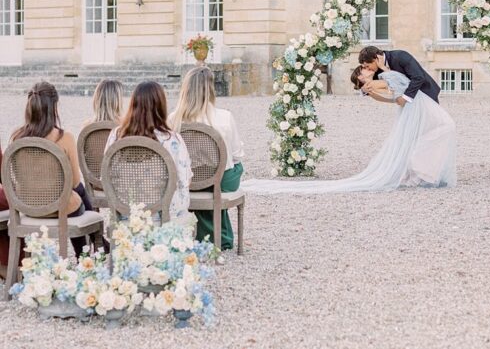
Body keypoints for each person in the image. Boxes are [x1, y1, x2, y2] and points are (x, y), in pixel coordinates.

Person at [241, 64, 456, 193]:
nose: (365, 74)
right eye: (362, 74)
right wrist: (373, 92)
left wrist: (373, 88)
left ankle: (424, 171)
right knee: (433, 135)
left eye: (364, 72)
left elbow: (395, 93)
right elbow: (394, 100)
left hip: (421, 108)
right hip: (416, 109)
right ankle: (424, 172)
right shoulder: (381, 79)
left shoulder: (385, 75)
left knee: (436, 133)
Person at [7, 82, 93, 256]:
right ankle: (83, 256)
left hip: (28, 205)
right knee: (77, 197)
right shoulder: (64, 137)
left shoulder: (16, 138)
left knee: (77, 197)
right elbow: (75, 182)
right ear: (54, 107)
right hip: (60, 208)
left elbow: (15, 176)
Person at [169, 67, 244, 250]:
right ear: (210, 89)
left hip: (187, 180)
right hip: (219, 180)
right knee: (235, 167)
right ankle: (219, 236)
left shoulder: (173, 119)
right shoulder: (224, 117)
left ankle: (207, 233)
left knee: (207, 178)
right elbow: (237, 154)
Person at [105, 81, 193, 222]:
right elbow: (184, 179)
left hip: (126, 211)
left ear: (133, 105)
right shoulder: (172, 140)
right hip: (164, 213)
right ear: (161, 106)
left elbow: (106, 175)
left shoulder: (116, 136)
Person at [359, 46, 441, 105]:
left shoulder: (400, 56)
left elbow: (418, 77)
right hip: (408, 103)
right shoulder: (376, 69)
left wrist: (405, 97)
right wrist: (364, 90)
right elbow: (372, 84)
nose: (368, 69)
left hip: (425, 93)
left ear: (376, 59)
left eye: (367, 66)